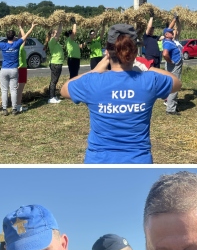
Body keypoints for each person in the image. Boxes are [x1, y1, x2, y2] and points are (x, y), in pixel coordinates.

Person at [61, 24, 180, 163]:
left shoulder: (92, 82)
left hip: (98, 161)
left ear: (107, 52)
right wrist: (146, 67)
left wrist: (97, 68)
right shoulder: (149, 81)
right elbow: (176, 82)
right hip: (138, 160)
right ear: (134, 53)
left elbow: (64, 89)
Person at [0, 25, 32, 116]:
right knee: (13, 90)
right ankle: (14, 109)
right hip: (14, 70)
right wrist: (31, 27)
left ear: (6, 37)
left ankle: (4, 109)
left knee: (4, 90)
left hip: (4, 70)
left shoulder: (3, 45)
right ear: (14, 37)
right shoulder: (16, 44)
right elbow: (26, 35)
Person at [160, 17, 184, 115]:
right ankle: (170, 109)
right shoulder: (168, 43)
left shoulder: (171, 41)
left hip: (175, 65)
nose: (172, 32)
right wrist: (170, 61)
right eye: (170, 32)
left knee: (172, 85)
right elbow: (165, 54)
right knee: (174, 85)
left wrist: (175, 20)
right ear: (166, 34)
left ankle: (172, 105)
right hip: (174, 66)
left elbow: (176, 29)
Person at [45, 26, 67, 103]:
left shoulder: (54, 41)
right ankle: (51, 98)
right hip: (56, 63)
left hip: (57, 62)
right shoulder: (52, 41)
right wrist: (61, 23)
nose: (57, 34)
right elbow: (59, 32)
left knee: (54, 80)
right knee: (54, 81)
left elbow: (58, 33)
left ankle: (53, 96)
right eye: (55, 33)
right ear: (52, 35)